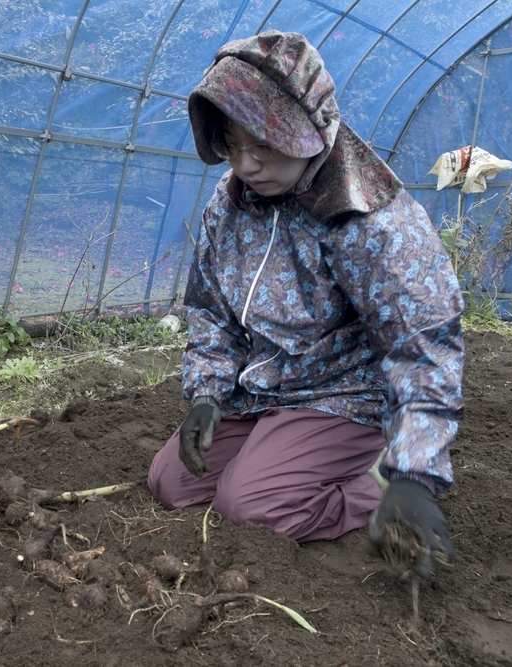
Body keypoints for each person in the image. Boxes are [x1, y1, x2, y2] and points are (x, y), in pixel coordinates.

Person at [147, 31, 463, 575]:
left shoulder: (370, 219)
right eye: (233, 146)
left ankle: (375, 481)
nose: (246, 165)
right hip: (265, 387)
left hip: (344, 396)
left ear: (308, 131)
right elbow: (211, 310)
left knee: (249, 507)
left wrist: (414, 474)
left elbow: (423, 342)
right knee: (171, 483)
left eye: (263, 145)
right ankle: (276, 452)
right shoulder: (230, 205)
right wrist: (208, 393)